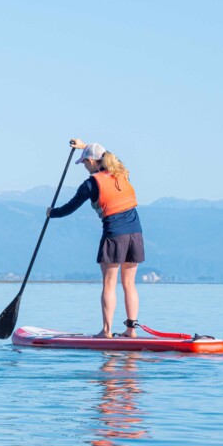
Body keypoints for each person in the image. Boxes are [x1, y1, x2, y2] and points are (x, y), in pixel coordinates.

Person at [47, 138, 144, 338]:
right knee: (129, 284)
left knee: (109, 284)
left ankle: (106, 331)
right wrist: (85, 147)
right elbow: (110, 155)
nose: (84, 166)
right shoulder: (121, 172)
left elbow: (70, 207)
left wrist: (52, 213)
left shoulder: (91, 184)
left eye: (84, 162)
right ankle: (130, 331)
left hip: (114, 235)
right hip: (136, 233)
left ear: (92, 161)